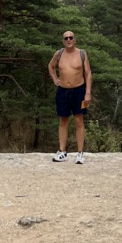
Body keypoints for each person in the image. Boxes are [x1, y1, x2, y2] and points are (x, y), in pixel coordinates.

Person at [47, 30, 91, 164]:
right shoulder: (59, 54)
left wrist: (88, 92)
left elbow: (88, 73)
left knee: (79, 121)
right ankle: (62, 152)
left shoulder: (82, 54)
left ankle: (80, 153)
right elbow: (51, 66)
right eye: (66, 38)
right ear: (63, 41)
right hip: (63, 91)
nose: (68, 40)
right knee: (63, 120)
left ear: (75, 40)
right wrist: (55, 78)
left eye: (71, 37)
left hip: (79, 91)